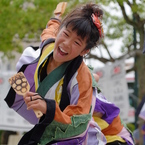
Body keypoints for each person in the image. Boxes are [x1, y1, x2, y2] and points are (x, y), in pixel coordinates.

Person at [5, 2, 134, 145]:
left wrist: (48, 107)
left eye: (77, 43)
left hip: (100, 130)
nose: (66, 43)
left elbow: (79, 123)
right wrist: (56, 18)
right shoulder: (49, 45)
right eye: (65, 34)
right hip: (59, 124)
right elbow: (51, 28)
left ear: (84, 51)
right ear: (60, 30)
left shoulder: (82, 77)